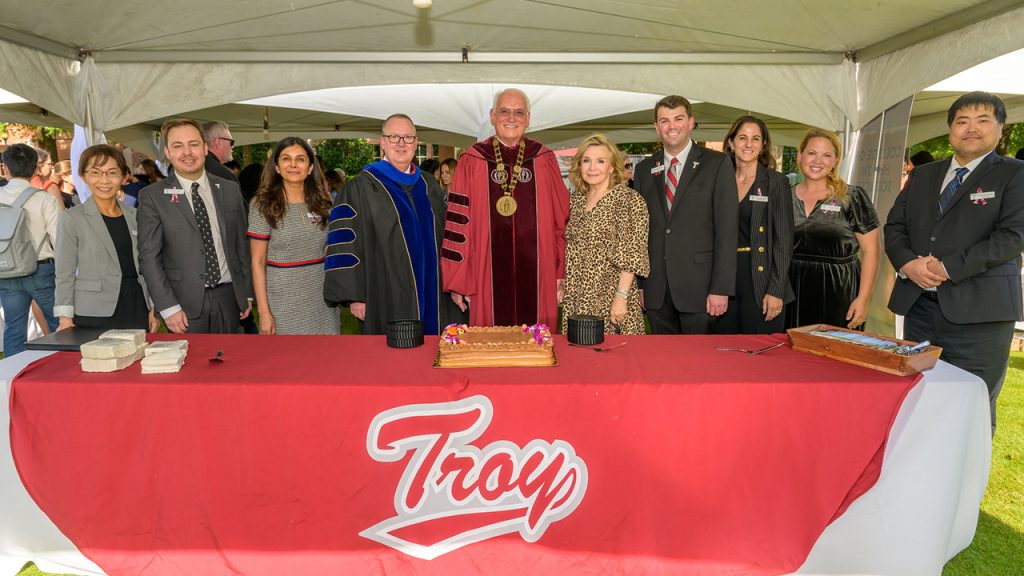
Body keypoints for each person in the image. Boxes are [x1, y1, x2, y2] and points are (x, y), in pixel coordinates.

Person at [885, 91, 1024, 433]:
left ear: (1000, 128)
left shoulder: (1015, 174)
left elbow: (1013, 236)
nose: (971, 129)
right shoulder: (923, 175)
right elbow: (894, 227)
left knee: (971, 409)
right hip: (921, 312)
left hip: (981, 317)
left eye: (982, 120)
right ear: (950, 130)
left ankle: (965, 485)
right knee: (921, 403)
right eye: (962, 121)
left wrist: (946, 268)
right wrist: (909, 265)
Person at [441, 88, 570, 327]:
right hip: (486, 276)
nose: (512, 118)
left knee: (538, 353)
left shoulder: (544, 159)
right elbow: (458, 227)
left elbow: (561, 220)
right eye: (504, 111)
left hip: (539, 273)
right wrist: (458, 280)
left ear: (528, 119)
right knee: (491, 354)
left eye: (519, 112)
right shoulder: (472, 160)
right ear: (492, 116)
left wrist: (560, 270)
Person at [324, 114, 448, 335]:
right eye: (394, 137)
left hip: (431, 289)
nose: (401, 144)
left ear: (416, 142)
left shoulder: (429, 185)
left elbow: (445, 237)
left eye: (408, 138)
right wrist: (355, 296)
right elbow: (345, 244)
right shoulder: (361, 187)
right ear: (382, 142)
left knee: (429, 356)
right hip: (382, 292)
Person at [633, 95, 738, 334]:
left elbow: (727, 230)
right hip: (656, 289)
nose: (672, 126)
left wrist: (720, 288)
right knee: (664, 364)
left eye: (678, 119)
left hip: (700, 290)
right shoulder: (644, 170)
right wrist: (640, 286)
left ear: (691, 122)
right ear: (656, 127)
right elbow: (638, 233)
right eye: (665, 120)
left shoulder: (717, 163)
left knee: (699, 365)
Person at [138, 118, 253, 334]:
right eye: (178, 146)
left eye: (193, 144)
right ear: (168, 152)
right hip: (182, 305)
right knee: (192, 366)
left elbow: (241, 244)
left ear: (205, 148)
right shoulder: (152, 197)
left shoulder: (228, 189)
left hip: (229, 299)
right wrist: (168, 307)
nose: (187, 152)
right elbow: (148, 257)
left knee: (233, 364)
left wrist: (246, 292)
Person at [54, 145, 157, 333]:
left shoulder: (135, 216)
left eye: (112, 173)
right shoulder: (72, 218)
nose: (104, 180)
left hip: (136, 306)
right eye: (95, 172)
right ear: (83, 176)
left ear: (124, 177)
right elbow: (64, 273)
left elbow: (146, 265)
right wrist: (65, 318)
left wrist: (151, 306)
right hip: (94, 310)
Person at [786, 129, 880, 329]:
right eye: (812, 153)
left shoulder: (851, 197)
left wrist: (863, 299)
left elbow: (871, 251)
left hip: (839, 291)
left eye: (827, 155)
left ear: (836, 160)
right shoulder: (783, 196)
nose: (818, 161)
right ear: (800, 155)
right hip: (791, 291)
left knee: (833, 355)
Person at [248, 138, 339, 335]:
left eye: (300, 159)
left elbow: (328, 247)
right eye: (286, 158)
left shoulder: (324, 202)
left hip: (321, 297)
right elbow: (257, 261)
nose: (293, 164)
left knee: (326, 358)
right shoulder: (261, 205)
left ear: (310, 167)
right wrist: (264, 311)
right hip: (282, 298)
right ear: (277, 167)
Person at [561, 134, 649, 335]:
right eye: (586, 161)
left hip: (611, 296)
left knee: (613, 360)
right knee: (580, 358)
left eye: (600, 161)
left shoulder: (629, 201)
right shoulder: (575, 201)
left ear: (612, 167)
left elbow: (632, 253)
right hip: (577, 295)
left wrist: (621, 297)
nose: (592, 168)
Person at [716, 116, 794, 334]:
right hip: (724, 278)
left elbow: (784, 241)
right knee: (724, 350)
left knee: (759, 354)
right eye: (742, 138)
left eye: (755, 139)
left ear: (762, 146)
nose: (748, 144)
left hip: (761, 278)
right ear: (731, 143)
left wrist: (776, 290)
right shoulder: (718, 180)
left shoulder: (776, 182)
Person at [0, 144, 61, 355]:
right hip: (41, 269)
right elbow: (59, 240)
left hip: (6, 270)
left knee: (14, 330)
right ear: (36, 169)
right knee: (59, 326)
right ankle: (63, 375)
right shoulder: (44, 199)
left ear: (4, 169)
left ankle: (11, 380)